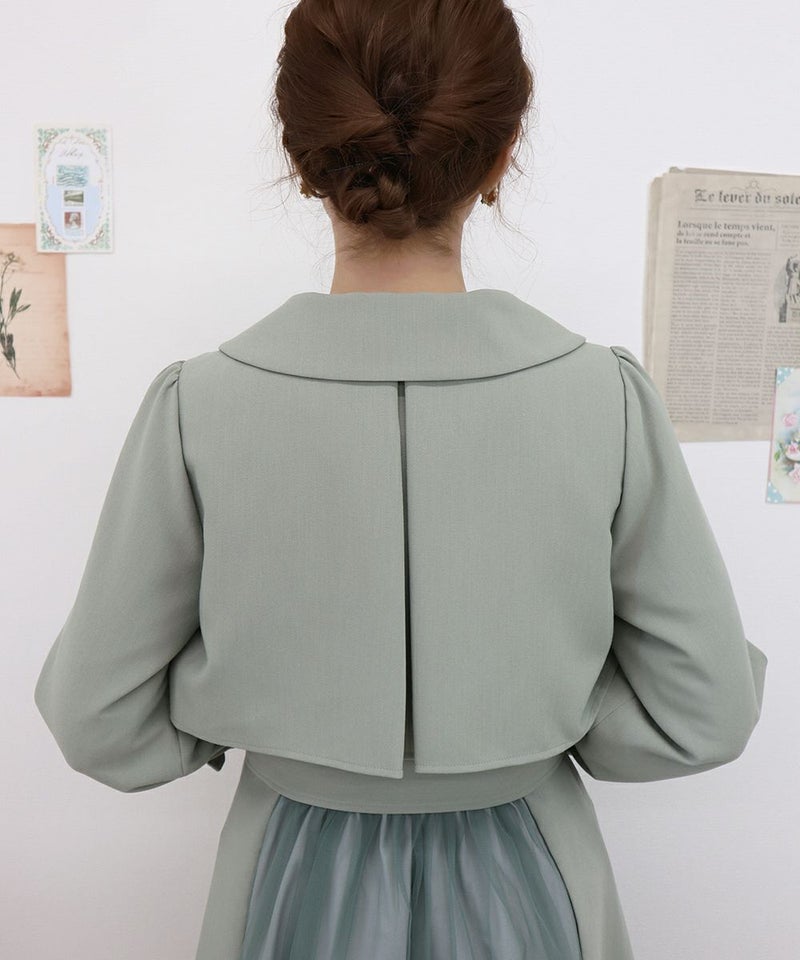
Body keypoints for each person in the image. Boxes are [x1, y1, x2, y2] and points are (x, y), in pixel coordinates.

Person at [33, 2, 768, 958]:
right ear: (501, 156)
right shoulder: (606, 398)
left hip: (286, 879)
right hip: (532, 874)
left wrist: (238, 709)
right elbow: (704, 710)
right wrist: (556, 721)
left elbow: (97, 719)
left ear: (305, 159)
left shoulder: (198, 404)